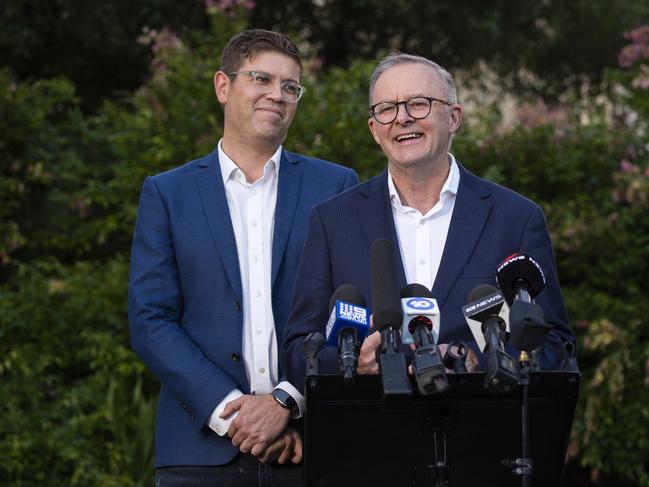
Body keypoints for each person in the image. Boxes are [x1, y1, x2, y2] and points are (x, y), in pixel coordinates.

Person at [128, 29, 358, 486]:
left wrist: (286, 402)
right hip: (198, 450)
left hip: (309, 446)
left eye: (290, 87)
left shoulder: (334, 187)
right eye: (261, 79)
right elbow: (150, 320)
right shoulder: (167, 193)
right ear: (223, 86)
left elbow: (350, 310)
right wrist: (231, 414)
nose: (278, 94)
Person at [281, 53, 575, 393]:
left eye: (419, 104)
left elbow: (554, 344)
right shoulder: (333, 221)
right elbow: (297, 351)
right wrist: (353, 362)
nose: (402, 118)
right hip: (373, 436)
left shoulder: (516, 218)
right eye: (387, 108)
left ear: (453, 118)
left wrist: (482, 363)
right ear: (374, 130)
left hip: (481, 434)